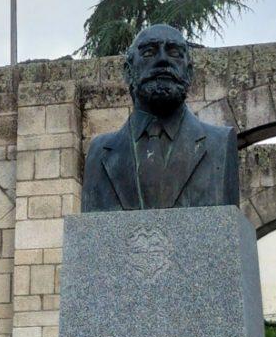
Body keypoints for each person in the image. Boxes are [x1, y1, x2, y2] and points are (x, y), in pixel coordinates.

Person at [82, 24, 239, 211]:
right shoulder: (100, 152)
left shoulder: (220, 143)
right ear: (128, 72)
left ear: (189, 73)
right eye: (149, 52)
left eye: (174, 53)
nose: (163, 60)